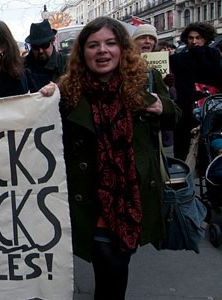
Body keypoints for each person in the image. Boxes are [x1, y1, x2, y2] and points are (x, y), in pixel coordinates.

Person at [40, 17, 180, 299]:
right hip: (91, 197)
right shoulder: (67, 91)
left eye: (110, 43)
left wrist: (160, 106)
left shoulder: (144, 79)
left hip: (132, 194)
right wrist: (43, 100)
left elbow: (174, 117)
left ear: (122, 49)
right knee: (109, 264)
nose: (102, 51)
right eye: (93, 45)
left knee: (117, 265)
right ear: (82, 53)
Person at [169, 22, 222, 160]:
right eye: (191, 38)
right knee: (183, 149)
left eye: (198, 38)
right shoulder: (179, 58)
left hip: (210, 107)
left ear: (205, 38)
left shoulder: (214, 55)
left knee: (209, 147)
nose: (194, 41)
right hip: (186, 108)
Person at [132, 24, 180, 149]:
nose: (148, 41)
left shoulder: (158, 65)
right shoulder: (122, 63)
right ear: (133, 42)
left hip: (151, 129)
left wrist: (167, 85)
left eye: (151, 38)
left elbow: (170, 102)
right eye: (143, 37)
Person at [23, 19, 67, 88]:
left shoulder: (65, 63)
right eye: (35, 47)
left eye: (44, 45)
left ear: (52, 41)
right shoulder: (23, 66)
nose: (40, 51)